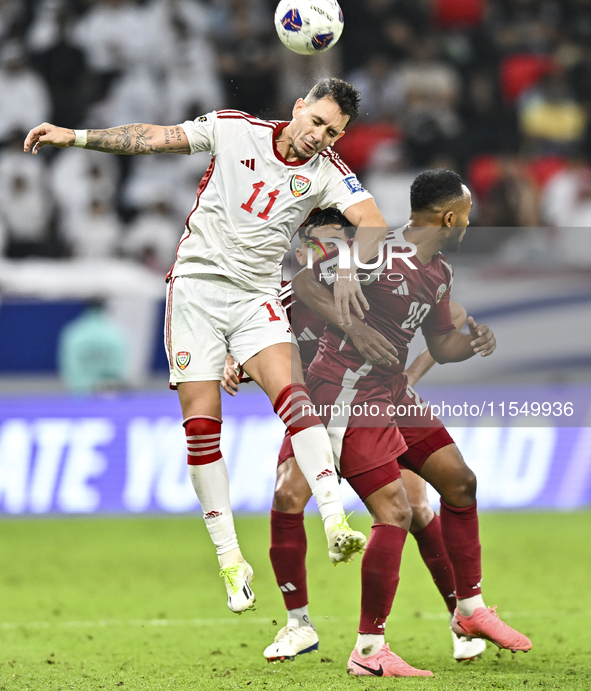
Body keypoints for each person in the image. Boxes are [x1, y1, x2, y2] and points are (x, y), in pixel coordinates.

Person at [24, 78, 388, 615]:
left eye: (333, 132)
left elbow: (375, 224)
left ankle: (335, 519)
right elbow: (150, 137)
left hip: (255, 299)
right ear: (297, 108)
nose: (319, 137)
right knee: (201, 426)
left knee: (295, 396)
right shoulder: (233, 129)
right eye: (316, 122)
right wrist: (74, 136)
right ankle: (231, 562)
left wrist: (351, 269)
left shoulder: (329, 174)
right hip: (195, 291)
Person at [290, 169, 532, 677]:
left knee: (459, 482)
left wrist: (471, 344)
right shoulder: (377, 251)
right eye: (467, 213)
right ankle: (369, 650)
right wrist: (352, 325)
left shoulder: (439, 271)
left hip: (392, 391)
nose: (470, 221)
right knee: (396, 512)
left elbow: (441, 344)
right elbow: (305, 281)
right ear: (449, 217)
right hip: (347, 391)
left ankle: (470, 612)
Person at [222, 208, 486, 664]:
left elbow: (448, 317)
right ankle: (297, 625)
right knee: (286, 496)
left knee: (416, 509)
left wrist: (409, 374)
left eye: (338, 244)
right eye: (321, 244)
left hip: (374, 406)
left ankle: (460, 619)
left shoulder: (368, 279)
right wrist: (234, 359)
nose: (330, 253)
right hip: (316, 414)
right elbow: (251, 343)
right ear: (304, 249)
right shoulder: (284, 300)